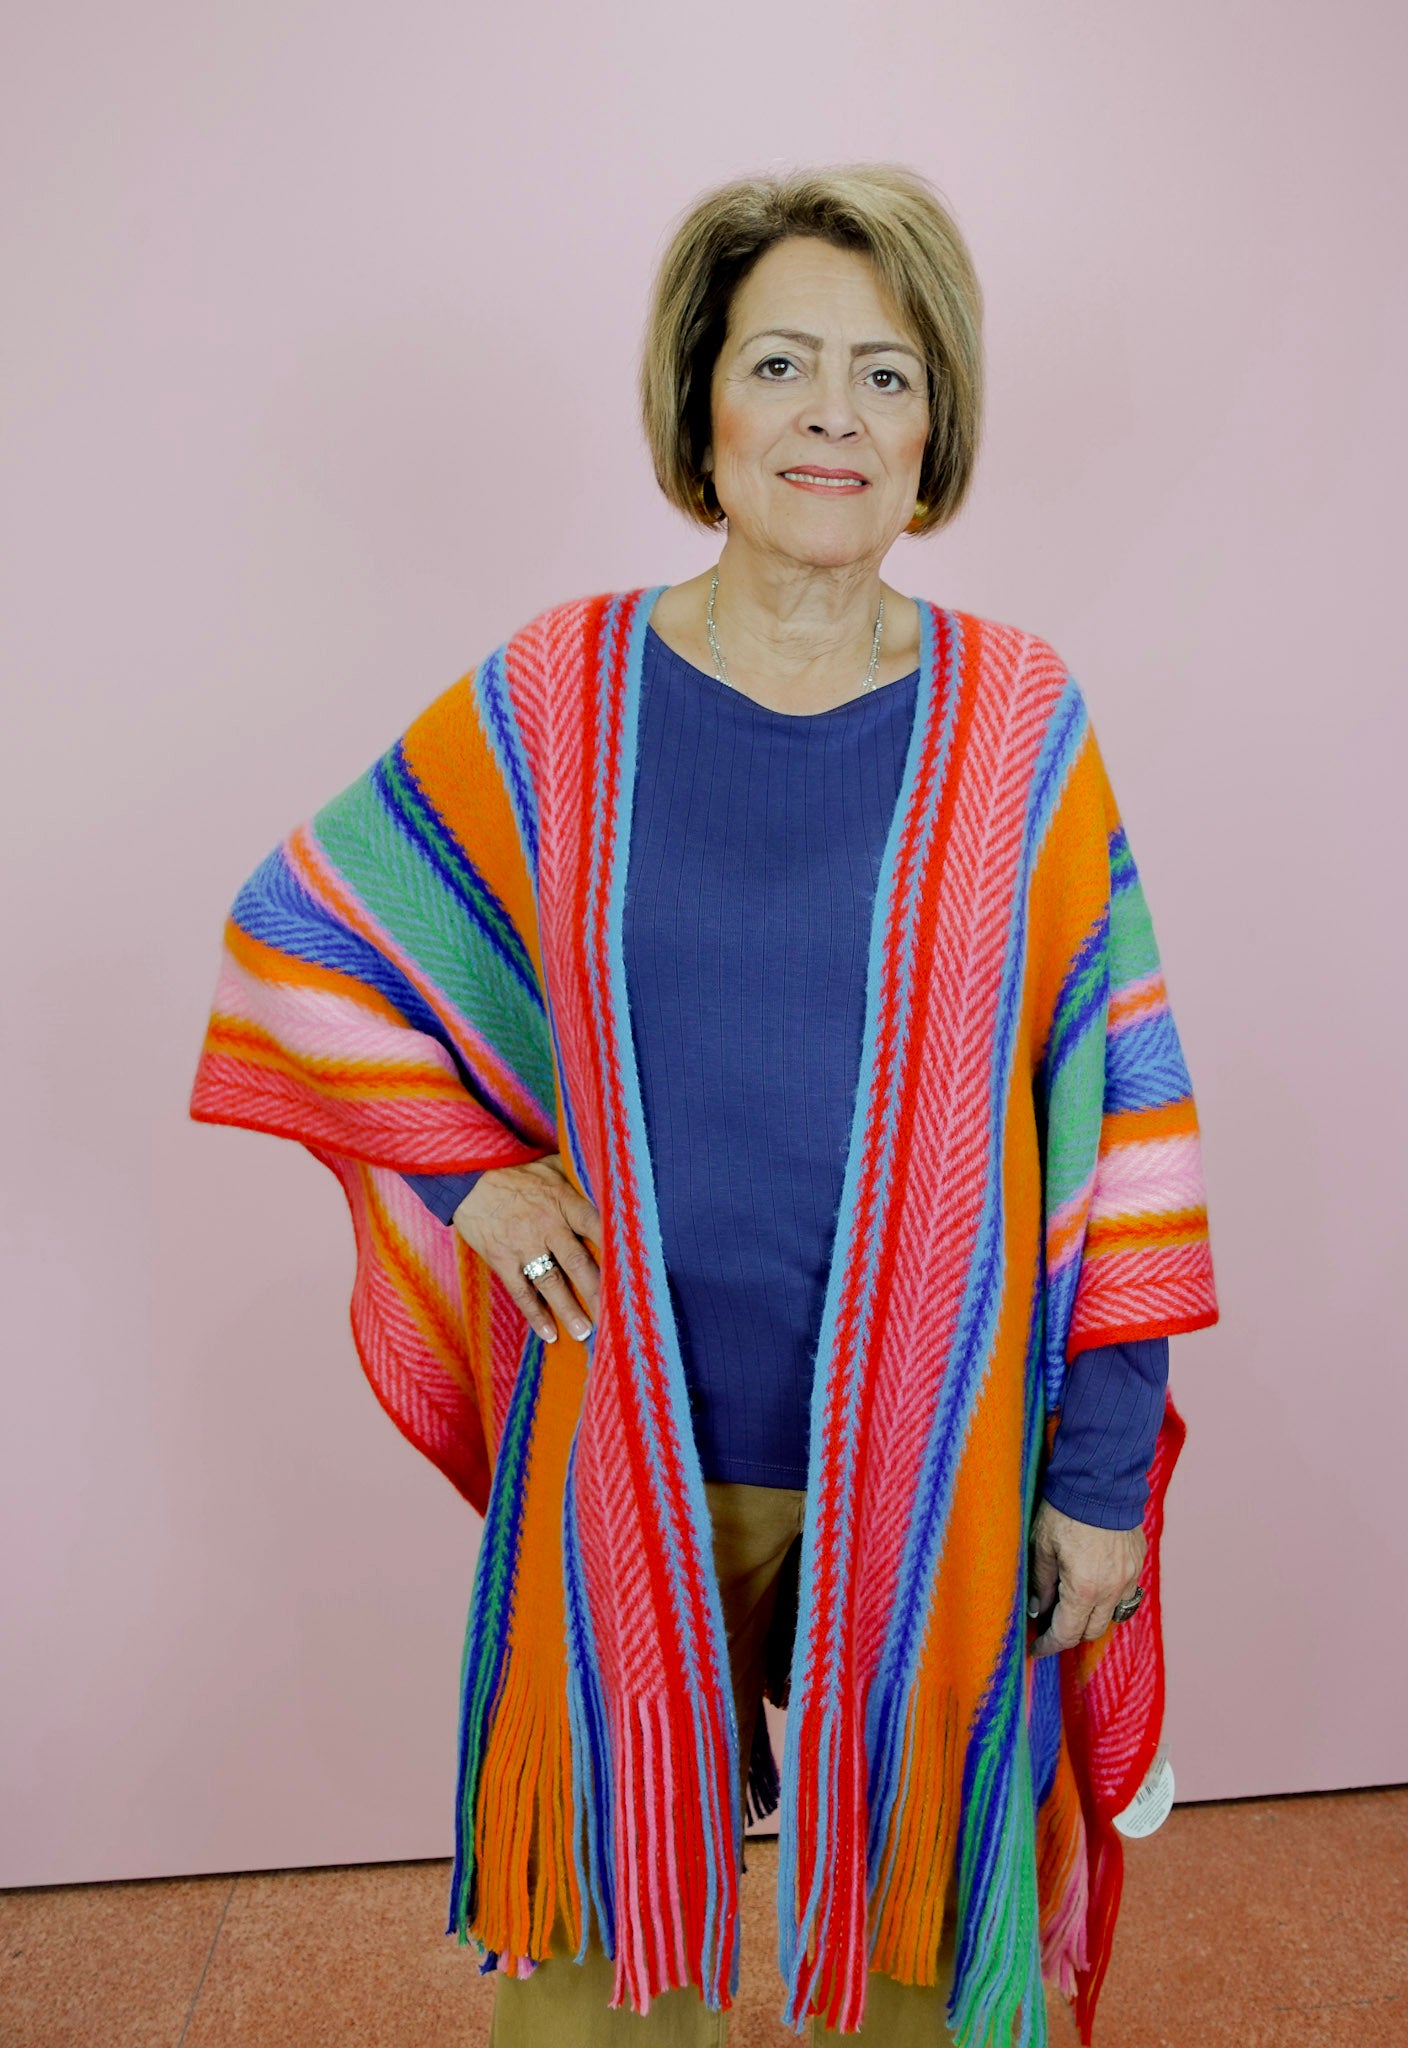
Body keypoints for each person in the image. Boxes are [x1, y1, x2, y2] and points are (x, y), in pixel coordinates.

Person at [189, 162, 1219, 2048]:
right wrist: (480, 1182)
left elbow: (1118, 1117)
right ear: (702, 407)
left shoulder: (1021, 722)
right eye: (782, 362)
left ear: (935, 430)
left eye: (888, 375)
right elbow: (309, 930)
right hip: (629, 1439)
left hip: (944, 1458)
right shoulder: (562, 695)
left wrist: (1098, 1481)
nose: (836, 414)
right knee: (601, 1967)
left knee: (914, 1964)